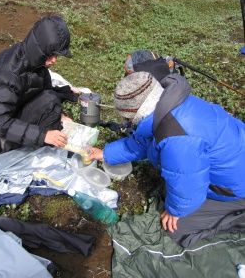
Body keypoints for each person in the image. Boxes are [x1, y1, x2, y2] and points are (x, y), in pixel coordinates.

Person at [86, 71, 245, 247]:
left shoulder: (176, 138)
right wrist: (106, 154)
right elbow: (142, 142)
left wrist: (175, 211)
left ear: (137, 113)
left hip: (234, 188)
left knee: (175, 229)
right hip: (232, 163)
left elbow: (188, 184)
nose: (127, 122)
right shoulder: (171, 104)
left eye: (128, 118)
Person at [0, 15, 77, 155]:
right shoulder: (8, 75)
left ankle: (50, 137)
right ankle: (45, 149)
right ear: (40, 48)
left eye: (56, 55)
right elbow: (0, 123)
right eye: (51, 54)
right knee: (50, 101)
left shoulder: (35, 59)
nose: (54, 60)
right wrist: (44, 135)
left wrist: (60, 116)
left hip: (13, 111)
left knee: (51, 98)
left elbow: (44, 90)